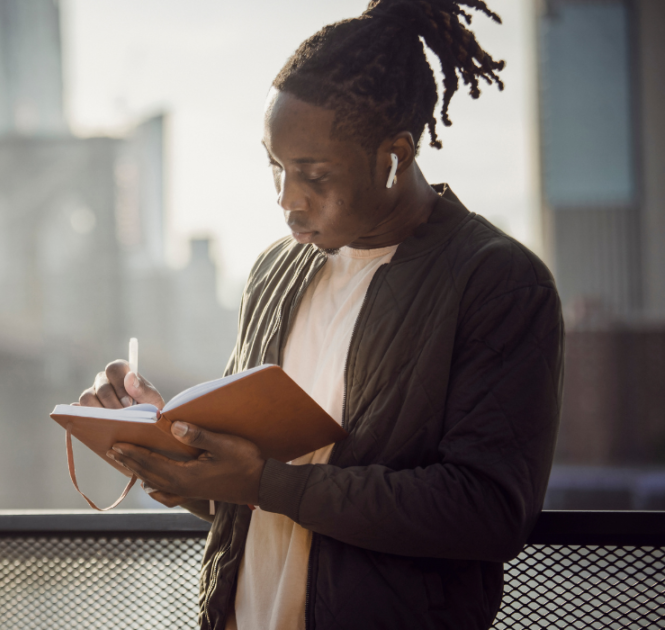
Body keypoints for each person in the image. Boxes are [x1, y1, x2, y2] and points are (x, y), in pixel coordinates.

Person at [78, 1, 564, 628]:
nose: (286, 199)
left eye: (313, 174)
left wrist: (262, 484)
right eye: (276, 166)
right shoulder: (274, 272)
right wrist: (171, 456)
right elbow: (254, 489)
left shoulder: (498, 282)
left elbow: (489, 512)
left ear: (395, 155)